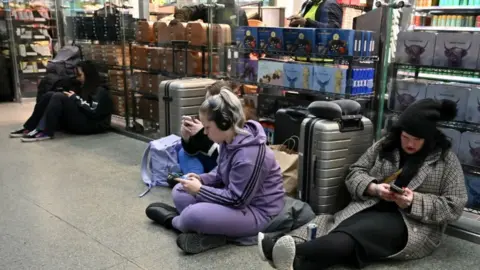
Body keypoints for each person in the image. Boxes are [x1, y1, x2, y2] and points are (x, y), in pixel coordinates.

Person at [258, 99, 468, 270]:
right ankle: (297, 263)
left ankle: (285, 247)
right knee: (341, 230)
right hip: (371, 206)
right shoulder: (386, 146)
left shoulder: (445, 160)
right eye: (406, 137)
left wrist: (413, 201)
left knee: (352, 235)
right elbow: (355, 173)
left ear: (430, 138)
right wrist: (374, 188)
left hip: (410, 224)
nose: (410, 144)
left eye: (417, 139)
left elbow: (455, 205)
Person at [145, 88, 285, 254]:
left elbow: (237, 200)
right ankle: (204, 227)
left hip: (258, 212)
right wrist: (202, 179)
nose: (204, 132)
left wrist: (200, 190)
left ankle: (174, 221)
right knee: (179, 191)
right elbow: (221, 173)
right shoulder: (230, 139)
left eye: (207, 127)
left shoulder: (250, 155)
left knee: (193, 215)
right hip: (237, 202)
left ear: (224, 123)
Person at [9, 60, 113, 142]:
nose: (78, 78)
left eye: (80, 75)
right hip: (82, 121)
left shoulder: (100, 91)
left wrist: (75, 99)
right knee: (50, 95)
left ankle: (45, 131)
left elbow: (93, 112)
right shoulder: (82, 86)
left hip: (92, 125)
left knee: (59, 97)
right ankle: (30, 127)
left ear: (88, 75)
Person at [171, 0, 248, 30]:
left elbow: (245, 37)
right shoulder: (211, 8)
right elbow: (192, 10)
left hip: (232, 52)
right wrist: (180, 16)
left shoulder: (240, 13)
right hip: (211, 52)